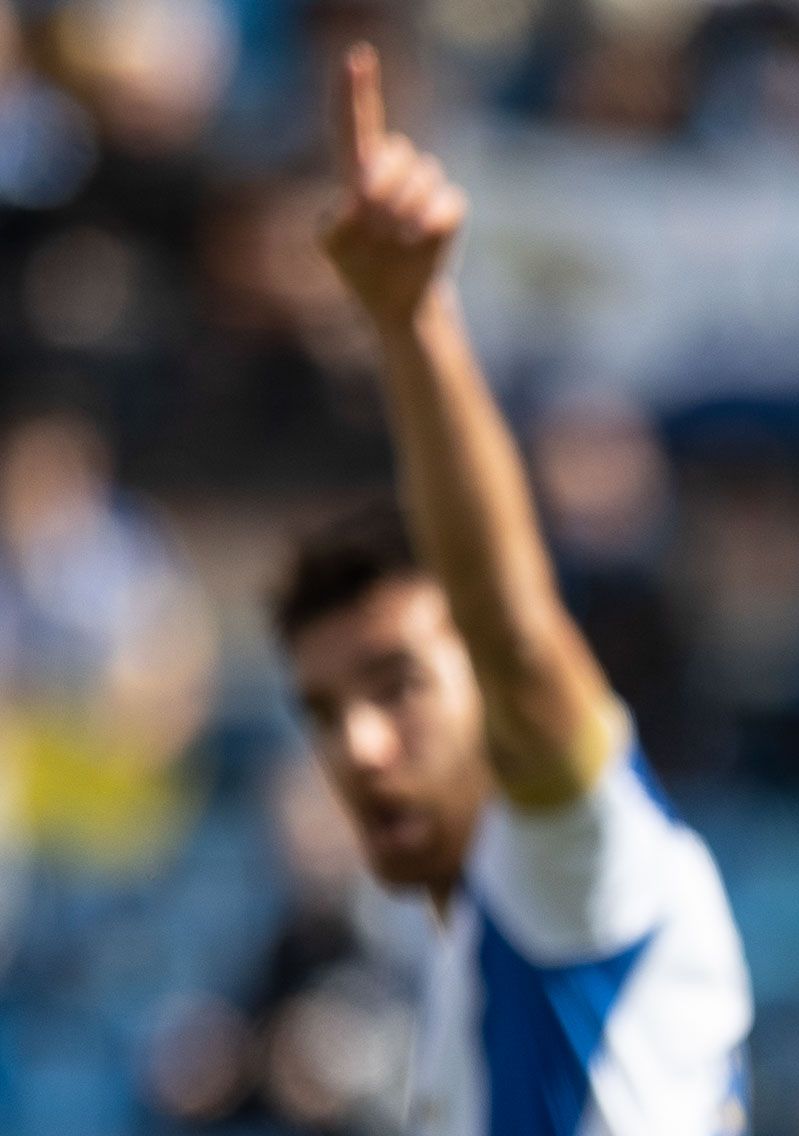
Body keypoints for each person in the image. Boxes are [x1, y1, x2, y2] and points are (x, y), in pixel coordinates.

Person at [272, 44, 750, 1136]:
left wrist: (413, 323)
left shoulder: (585, 861)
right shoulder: (466, 944)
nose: (363, 746)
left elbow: (514, 628)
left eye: (399, 687)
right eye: (328, 712)